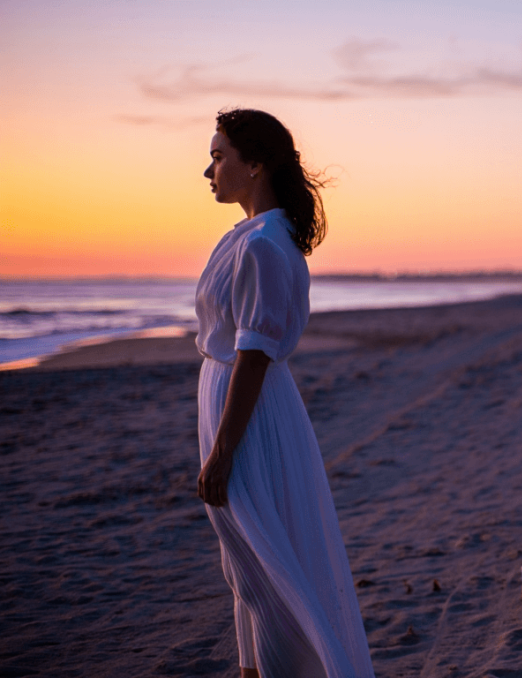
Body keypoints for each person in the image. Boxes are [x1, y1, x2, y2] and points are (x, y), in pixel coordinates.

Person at [195, 108, 375, 678]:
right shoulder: (250, 237)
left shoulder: (265, 246)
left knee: (265, 563)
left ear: (256, 164)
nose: (209, 170)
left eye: (219, 156)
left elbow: (253, 352)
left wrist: (224, 451)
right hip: (238, 406)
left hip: (250, 416)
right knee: (247, 564)